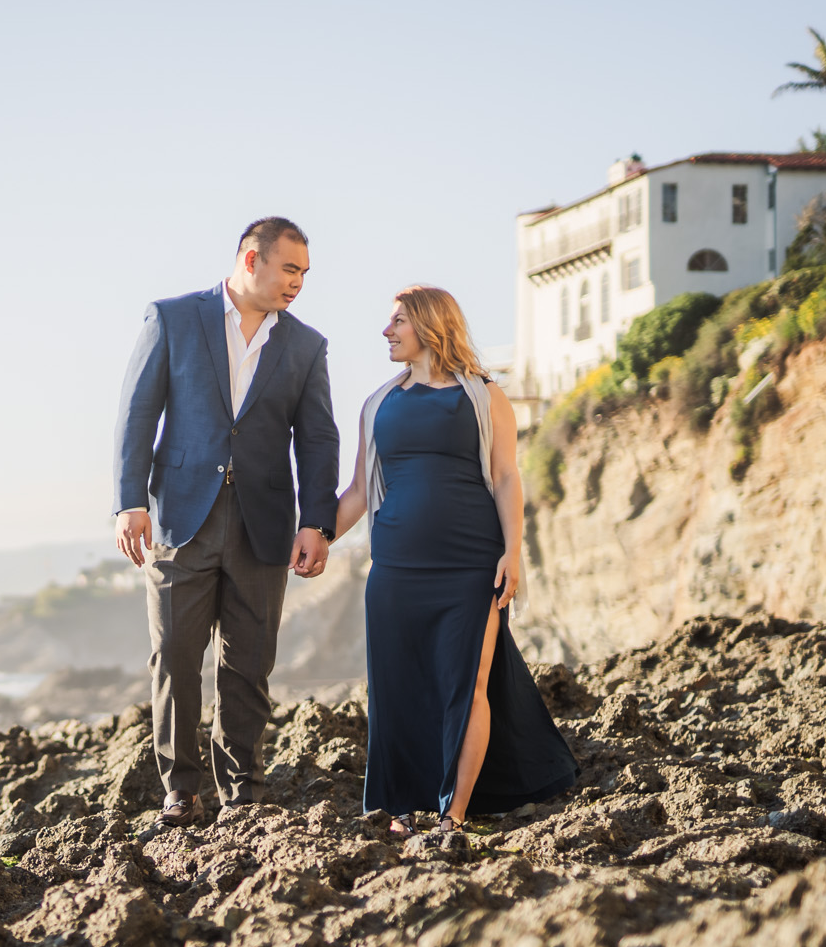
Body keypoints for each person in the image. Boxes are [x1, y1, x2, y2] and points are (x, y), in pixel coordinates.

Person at [111, 217, 340, 827]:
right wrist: (129, 499)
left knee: (249, 663)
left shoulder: (306, 345)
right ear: (250, 259)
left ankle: (243, 789)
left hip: (263, 525)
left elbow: (318, 440)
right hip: (178, 518)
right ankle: (180, 789)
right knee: (176, 656)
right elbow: (138, 414)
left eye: (304, 273)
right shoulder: (173, 318)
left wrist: (318, 522)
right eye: (289, 269)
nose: (298, 283)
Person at [331, 285, 576, 835]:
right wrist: (318, 536)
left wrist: (514, 552)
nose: (387, 332)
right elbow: (356, 493)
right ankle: (396, 810)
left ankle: (453, 813)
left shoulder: (483, 395)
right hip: (394, 569)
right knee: (396, 690)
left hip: (471, 564)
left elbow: (508, 476)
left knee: (466, 685)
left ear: (429, 324)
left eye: (397, 321)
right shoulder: (379, 403)